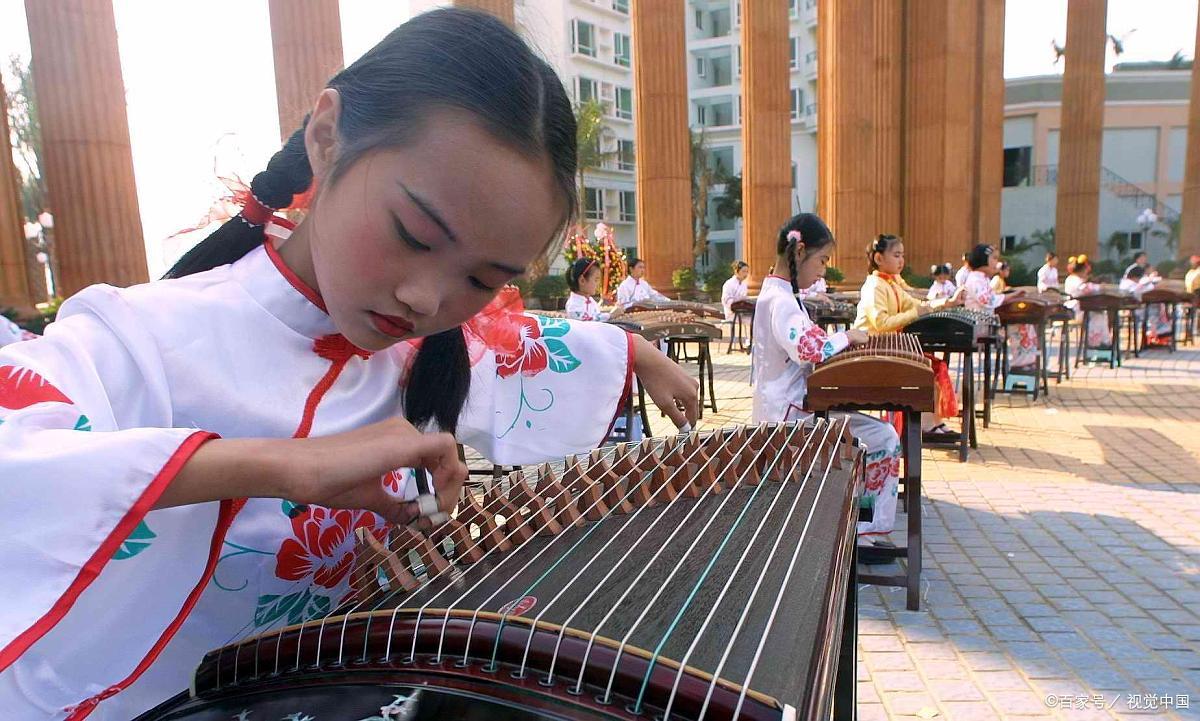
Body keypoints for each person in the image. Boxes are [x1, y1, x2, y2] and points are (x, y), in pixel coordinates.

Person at [0, 11, 699, 718]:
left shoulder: (420, 350)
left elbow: (513, 336)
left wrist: (635, 350)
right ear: (327, 136)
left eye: (482, 278)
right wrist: (281, 464)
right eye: (413, 233)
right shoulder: (141, 335)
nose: (427, 298)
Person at [751, 213, 904, 545]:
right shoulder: (781, 301)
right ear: (800, 252)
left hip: (787, 410)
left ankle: (855, 520)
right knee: (884, 436)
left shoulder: (778, 296)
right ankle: (862, 528)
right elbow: (809, 349)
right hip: (791, 418)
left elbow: (810, 342)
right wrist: (848, 337)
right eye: (821, 260)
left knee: (873, 431)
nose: (822, 270)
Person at [854, 234, 961, 433]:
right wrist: (915, 313)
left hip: (886, 347)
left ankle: (933, 422)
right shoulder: (874, 286)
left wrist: (946, 303)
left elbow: (917, 306)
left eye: (902, 255)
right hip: (870, 350)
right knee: (925, 370)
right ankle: (925, 425)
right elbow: (881, 323)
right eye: (896, 255)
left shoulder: (890, 283)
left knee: (933, 366)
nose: (901, 260)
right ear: (879, 259)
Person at [1063, 255, 1112, 351]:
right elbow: (1086, 289)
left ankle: (1103, 342)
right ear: (1082, 270)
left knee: (1101, 314)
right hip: (1075, 310)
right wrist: (1100, 287)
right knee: (1097, 316)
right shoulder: (1073, 280)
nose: (1087, 273)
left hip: (1083, 307)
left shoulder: (1077, 279)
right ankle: (1095, 343)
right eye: (1086, 270)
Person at [1121, 265, 1171, 345]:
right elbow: (1145, 291)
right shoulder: (1133, 285)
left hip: (1130, 309)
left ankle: (1156, 334)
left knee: (1156, 309)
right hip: (1137, 310)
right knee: (1156, 310)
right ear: (1136, 277)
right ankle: (1157, 333)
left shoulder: (1124, 283)